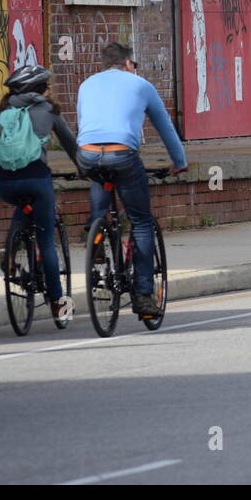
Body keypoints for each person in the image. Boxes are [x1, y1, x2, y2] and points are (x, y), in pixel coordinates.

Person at [77, 43, 188, 318]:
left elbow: (85, 125)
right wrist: (180, 162)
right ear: (128, 63)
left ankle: (97, 233)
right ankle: (143, 296)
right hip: (123, 155)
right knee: (141, 222)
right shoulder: (141, 85)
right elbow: (165, 127)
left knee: (99, 176)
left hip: (87, 153)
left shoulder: (86, 85)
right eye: (133, 64)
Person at [0, 64, 80, 320]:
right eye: (46, 85)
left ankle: (11, 249)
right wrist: (85, 169)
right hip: (35, 177)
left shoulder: (5, 108)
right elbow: (70, 144)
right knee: (46, 242)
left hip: (3, 181)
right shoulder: (48, 109)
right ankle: (58, 303)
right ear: (40, 89)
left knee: (23, 204)